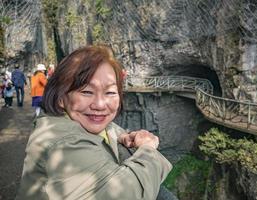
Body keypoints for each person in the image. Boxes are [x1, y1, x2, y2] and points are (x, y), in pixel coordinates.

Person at [16, 45, 172, 200]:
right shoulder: (65, 145)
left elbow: (105, 127)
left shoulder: (73, 120)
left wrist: (122, 135)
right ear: (61, 98)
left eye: (110, 92)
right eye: (86, 91)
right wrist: (148, 150)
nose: (99, 104)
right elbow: (124, 194)